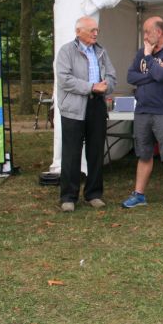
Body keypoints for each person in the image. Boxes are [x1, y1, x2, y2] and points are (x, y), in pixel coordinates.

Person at [121, 16, 163, 212]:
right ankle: (139, 194)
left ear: (159, 33)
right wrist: (152, 72)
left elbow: (162, 75)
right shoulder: (141, 52)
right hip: (142, 111)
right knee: (143, 154)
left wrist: (149, 59)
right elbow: (131, 76)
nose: (145, 35)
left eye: (147, 31)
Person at [56, 16, 116, 212]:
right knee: (72, 152)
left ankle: (94, 194)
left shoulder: (101, 51)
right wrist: (92, 87)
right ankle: (68, 196)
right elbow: (65, 80)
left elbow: (112, 76)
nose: (95, 34)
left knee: (96, 152)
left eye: (96, 30)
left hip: (97, 106)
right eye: (92, 30)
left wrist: (105, 86)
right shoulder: (66, 51)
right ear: (78, 31)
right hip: (74, 108)